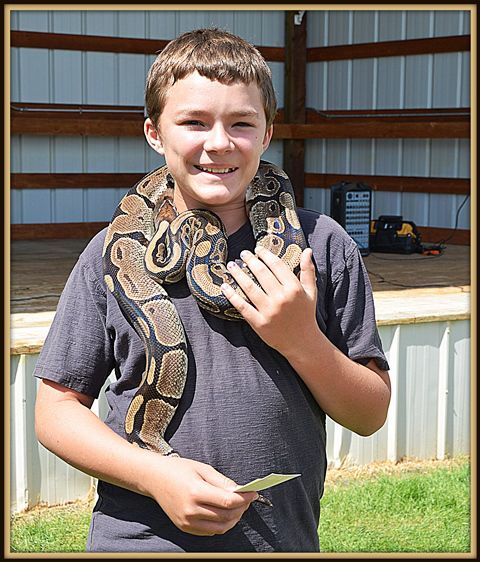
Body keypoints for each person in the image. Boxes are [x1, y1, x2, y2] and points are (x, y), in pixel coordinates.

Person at [33, 28, 391, 553]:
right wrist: (155, 475)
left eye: (242, 123)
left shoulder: (322, 246)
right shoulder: (111, 251)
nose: (218, 142)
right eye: (194, 122)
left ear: (267, 135)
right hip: (140, 536)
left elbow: (370, 414)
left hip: (279, 539)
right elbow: (55, 410)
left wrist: (299, 337)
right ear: (155, 133)